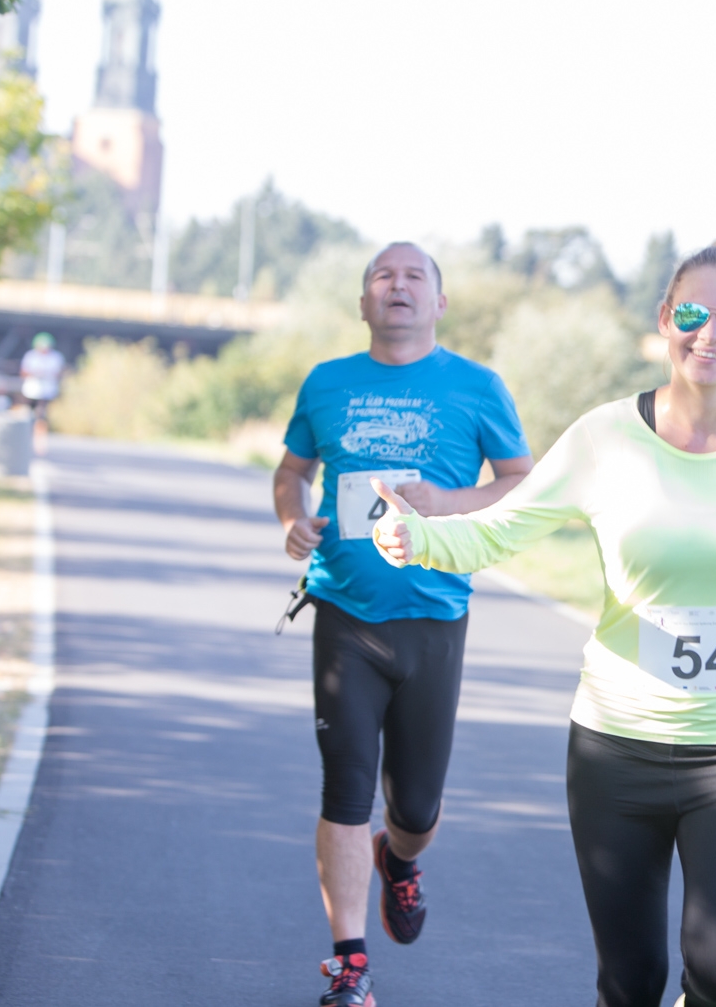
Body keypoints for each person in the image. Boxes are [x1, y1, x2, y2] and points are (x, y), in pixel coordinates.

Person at [370, 233, 716, 1007]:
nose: (712, 336)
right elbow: (503, 525)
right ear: (666, 318)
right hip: (614, 750)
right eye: (694, 314)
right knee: (630, 983)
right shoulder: (604, 438)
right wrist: (418, 537)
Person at [273, 242, 533, 1007]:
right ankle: (349, 965)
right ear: (362, 304)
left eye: (416, 274)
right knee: (345, 783)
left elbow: (522, 482)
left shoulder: (477, 386)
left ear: (439, 303)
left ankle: (401, 858)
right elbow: (294, 470)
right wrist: (293, 515)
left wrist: (449, 502)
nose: (398, 285)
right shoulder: (327, 383)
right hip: (344, 613)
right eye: (383, 276)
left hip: (435, 617)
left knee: (415, 806)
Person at [19, 332, 64, 451]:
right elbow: (24, 372)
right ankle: (24, 440)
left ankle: (39, 444)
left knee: (41, 417)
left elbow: (58, 373)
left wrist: (46, 374)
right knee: (27, 415)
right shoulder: (31, 356)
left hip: (47, 392)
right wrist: (36, 373)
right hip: (31, 391)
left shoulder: (56, 357)